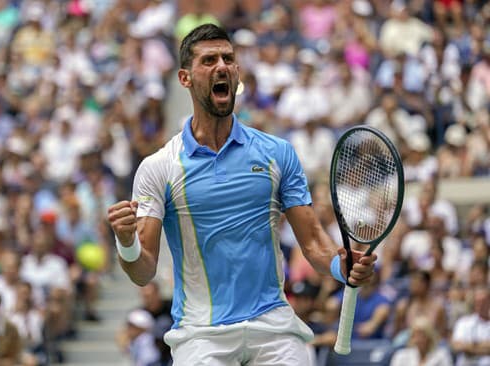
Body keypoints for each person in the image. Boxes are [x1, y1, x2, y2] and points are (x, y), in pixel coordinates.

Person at [108, 23, 378, 365]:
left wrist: (343, 265)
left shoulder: (277, 153)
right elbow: (142, 271)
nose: (222, 66)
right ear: (185, 78)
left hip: (274, 327)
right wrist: (126, 240)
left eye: (228, 59)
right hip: (202, 334)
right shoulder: (159, 167)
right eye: (208, 60)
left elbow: (312, 242)